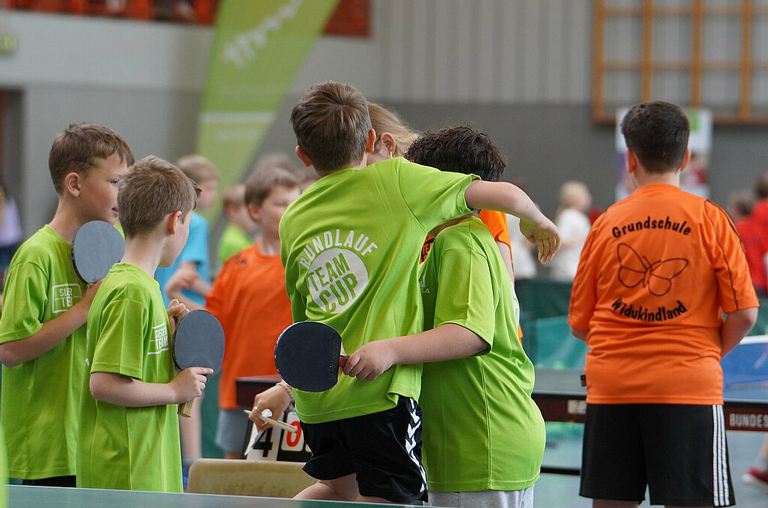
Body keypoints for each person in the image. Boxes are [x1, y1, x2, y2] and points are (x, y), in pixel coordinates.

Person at [248, 81, 558, 504]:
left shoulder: (299, 214)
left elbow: (312, 321)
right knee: (385, 497)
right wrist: (539, 220)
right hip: (383, 402)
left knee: (341, 490)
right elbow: (505, 196)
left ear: (302, 155)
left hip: (357, 408)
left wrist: (298, 383)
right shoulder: (400, 197)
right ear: (372, 141)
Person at [569, 101, 759, 508]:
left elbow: (579, 324)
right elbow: (744, 314)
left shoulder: (604, 224)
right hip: (687, 386)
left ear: (630, 158)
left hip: (612, 387)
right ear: (687, 157)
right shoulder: (711, 219)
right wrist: (706, 353)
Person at [344, 125, 546, 508]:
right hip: (463, 441)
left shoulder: (461, 242)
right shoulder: (438, 242)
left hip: (481, 442)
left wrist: (389, 350)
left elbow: (468, 333)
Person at [0, 123, 133, 486]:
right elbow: (10, 350)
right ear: (75, 184)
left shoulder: (117, 246)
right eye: (115, 182)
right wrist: (83, 309)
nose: (124, 193)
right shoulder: (35, 255)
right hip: (50, 447)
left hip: (97, 439)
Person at [77, 155, 212, 492]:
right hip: (127, 471)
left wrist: (168, 334)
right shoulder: (130, 291)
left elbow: (135, 360)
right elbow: (104, 384)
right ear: (175, 221)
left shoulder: (144, 287)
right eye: (189, 223)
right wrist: (174, 390)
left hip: (147, 463)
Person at [167, 167, 300, 459]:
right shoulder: (235, 265)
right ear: (255, 210)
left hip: (291, 393)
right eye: (281, 203)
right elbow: (214, 321)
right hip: (237, 395)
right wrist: (177, 298)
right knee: (235, 476)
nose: (291, 210)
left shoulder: (304, 262)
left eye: (296, 201)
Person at [154, 154, 218, 476]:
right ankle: (191, 470)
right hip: (187, 313)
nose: (215, 194)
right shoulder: (200, 223)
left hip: (166, 312)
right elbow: (186, 275)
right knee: (192, 393)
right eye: (209, 187)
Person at [549, 180, 592, 281]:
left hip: (577, 267)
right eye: (584, 194)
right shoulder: (568, 216)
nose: (588, 197)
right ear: (574, 198)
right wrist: (584, 239)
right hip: (567, 269)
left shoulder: (581, 217)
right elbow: (561, 240)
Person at [728, 190, 768, 297]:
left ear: (736, 210)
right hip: (762, 282)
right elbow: (765, 257)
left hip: (745, 282)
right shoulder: (758, 229)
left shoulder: (734, 230)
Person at [217, 184, 255, 268]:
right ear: (232, 211)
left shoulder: (240, 237)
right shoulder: (234, 243)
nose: (255, 213)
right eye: (249, 209)